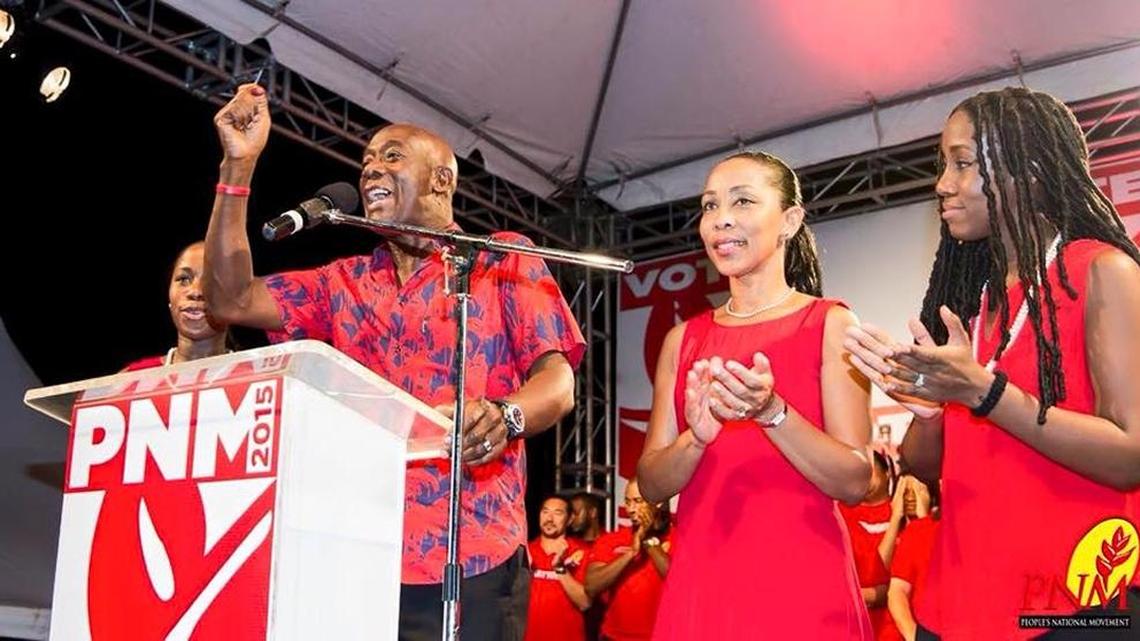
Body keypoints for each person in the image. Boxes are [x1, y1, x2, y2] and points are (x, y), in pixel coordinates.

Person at [203, 84, 586, 640]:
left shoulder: (499, 258)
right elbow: (229, 300)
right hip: (359, 549)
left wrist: (506, 416)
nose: (370, 170)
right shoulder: (345, 282)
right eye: (365, 161)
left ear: (442, 179)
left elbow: (557, 382)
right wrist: (236, 169)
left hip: (473, 552)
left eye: (391, 156)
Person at [844, 86, 1140, 640]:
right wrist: (931, 413)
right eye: (943, 165)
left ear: (1025, 171)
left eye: (962, 164)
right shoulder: (971, 302)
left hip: (1072, 602)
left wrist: (986, 393)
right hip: (957, 606)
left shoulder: (1104, 272)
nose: (942, 185)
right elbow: (925, 467)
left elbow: (1131, 455)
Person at [636, 150, 873, 640]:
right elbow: (653, 484)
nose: (721, 219)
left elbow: (854, 480)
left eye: (743, 202)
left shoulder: (830, 323)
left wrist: (773, 413)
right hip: (702, 589)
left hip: (803, 593)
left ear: (790, 220)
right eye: (709, 206)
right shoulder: (683, 341)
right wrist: (695, 441)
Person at [584, 479, 671, 641]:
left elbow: (677, 581)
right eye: (627, 502)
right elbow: (591, 586)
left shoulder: (679, 537)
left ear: (658, 502)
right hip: (614, 637)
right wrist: (631, 553)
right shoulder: (611, 540)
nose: (630, 509)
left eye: (638, 501)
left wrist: (648, 542)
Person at [125, 241, 230, 371]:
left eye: (212, 281)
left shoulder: (257, 375)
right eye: (184, 280)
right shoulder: (132, 379)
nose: (196, 292)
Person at [841, 450, 903, 641]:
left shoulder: (909, 510)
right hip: (856, 628)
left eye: (869, 468)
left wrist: (899, 514)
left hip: (898, 627)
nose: (864, 476)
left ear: (887, 472)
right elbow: (872, 575)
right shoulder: (841, 516)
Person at [526, 495, 591, 641]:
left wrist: (560, 568)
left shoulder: (581, 552)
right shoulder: (526, 552)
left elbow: (584, 603)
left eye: (557, 513)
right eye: (545, 512)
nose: (549, 519)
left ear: (569, 520)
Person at [887, 476, 939, 641]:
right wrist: (914, 636)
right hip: (928, 631)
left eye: (917, 490)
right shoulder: (918, 531)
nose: (910, 497)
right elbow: (897, 590)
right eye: (906, 491)